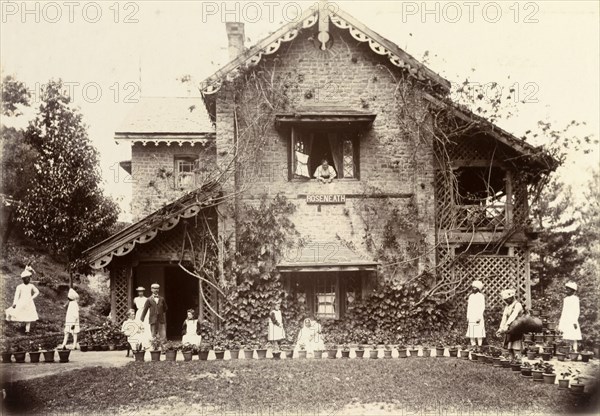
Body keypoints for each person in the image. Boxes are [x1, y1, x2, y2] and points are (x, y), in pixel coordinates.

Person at [5, 266, 39, 334]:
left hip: (29, 303)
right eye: (26, 278)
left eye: (29, 278)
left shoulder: (31, 286)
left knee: (29, 316)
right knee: (16, 311)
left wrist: (32, 298)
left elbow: (37, 292)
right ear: (23, 279)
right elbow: (16, 295)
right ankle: (8, 316)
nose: (28, 280)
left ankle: (27, 330)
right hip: (21, 301)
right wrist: (14, 303)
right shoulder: (19, 287)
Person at [496, 289, 524, 360]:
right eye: (505, 300)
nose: (506, 301)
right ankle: (511, 362)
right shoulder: (507, 306)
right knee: (510, 347)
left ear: (512, 297)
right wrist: (500, 328)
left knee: (516, 348)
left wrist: (506, 327)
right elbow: (504, 318)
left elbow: (513, 317)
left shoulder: (518, 305)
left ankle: (518, 362)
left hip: (517, 328)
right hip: (510, 329)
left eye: (507, 299)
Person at [558, 281, 582, 352]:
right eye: (566, 289)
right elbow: (564, 311)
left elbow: (577, 310)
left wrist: (574, 320)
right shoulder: (565, 299)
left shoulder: (575, 299)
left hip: (572, 319)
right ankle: (568, 350)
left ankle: (575, 350)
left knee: (573, 335)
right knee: (567, 335)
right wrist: (561, 321)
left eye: (568, 289)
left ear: (573, 291)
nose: (566, 291)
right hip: (566, 319)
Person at [466, 280, 486, 347]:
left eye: (475, 287)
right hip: (472, 316)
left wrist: (479, 317)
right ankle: (473, 346)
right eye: (473, 287)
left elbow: (482, 307)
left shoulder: (481, 296)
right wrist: (468, 316)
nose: (473, 289)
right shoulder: (471, 296)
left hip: (478, 316)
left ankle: (479, 346)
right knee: (472, 332)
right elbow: (469, 307)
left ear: (478, 289)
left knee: (479, 332)